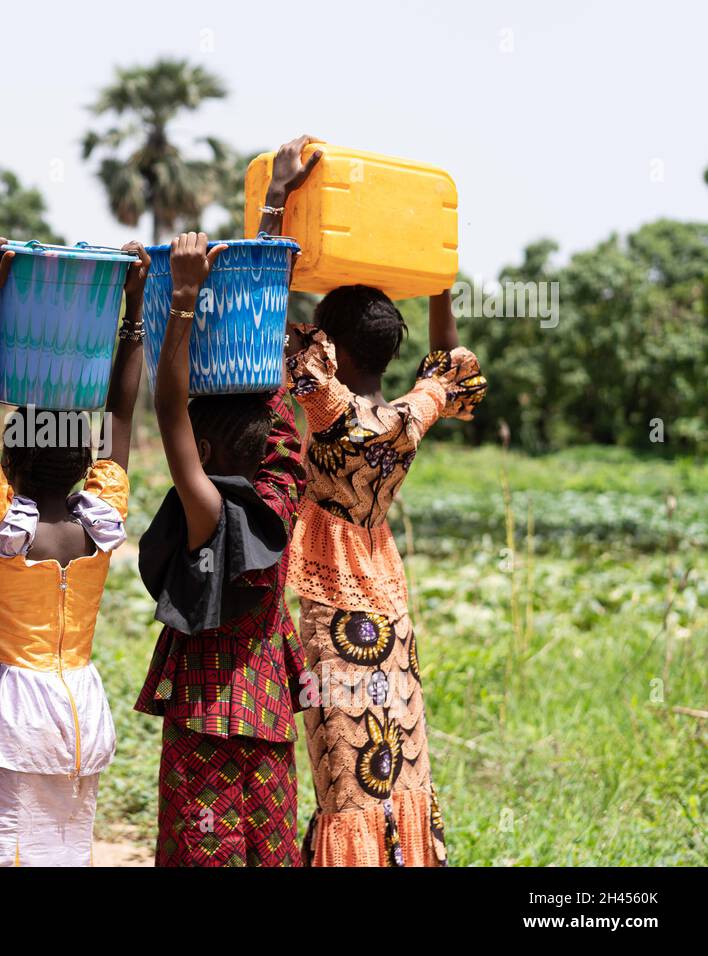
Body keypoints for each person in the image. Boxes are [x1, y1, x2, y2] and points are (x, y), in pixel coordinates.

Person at [267, 134, 488, 866]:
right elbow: (448, 367)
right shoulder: (407, 418)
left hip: (334, 618)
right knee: (396, 769)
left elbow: (265, 306)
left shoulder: (330, 410)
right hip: (390, 614)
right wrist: (437, 276)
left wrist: (277, 201)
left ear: (330, 350)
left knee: (345, 784)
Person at [0, 233, 148, 866]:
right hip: (78, 706)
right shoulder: (100, 518)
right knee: (66, 843)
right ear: (87, 461)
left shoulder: (5, 521)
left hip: (14, 712)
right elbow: (121, 407)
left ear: (9, 460)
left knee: (5, 844)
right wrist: (132, 312)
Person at [135, 231, 308, 867]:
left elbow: (168, 407)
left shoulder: (208, 512)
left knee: (199, 851)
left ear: (201, 458)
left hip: (206, 717)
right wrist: (264, 271)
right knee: (268, 851)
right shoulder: (283, 492)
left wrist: (182, 301)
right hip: (265, 713)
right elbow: (278, 403)